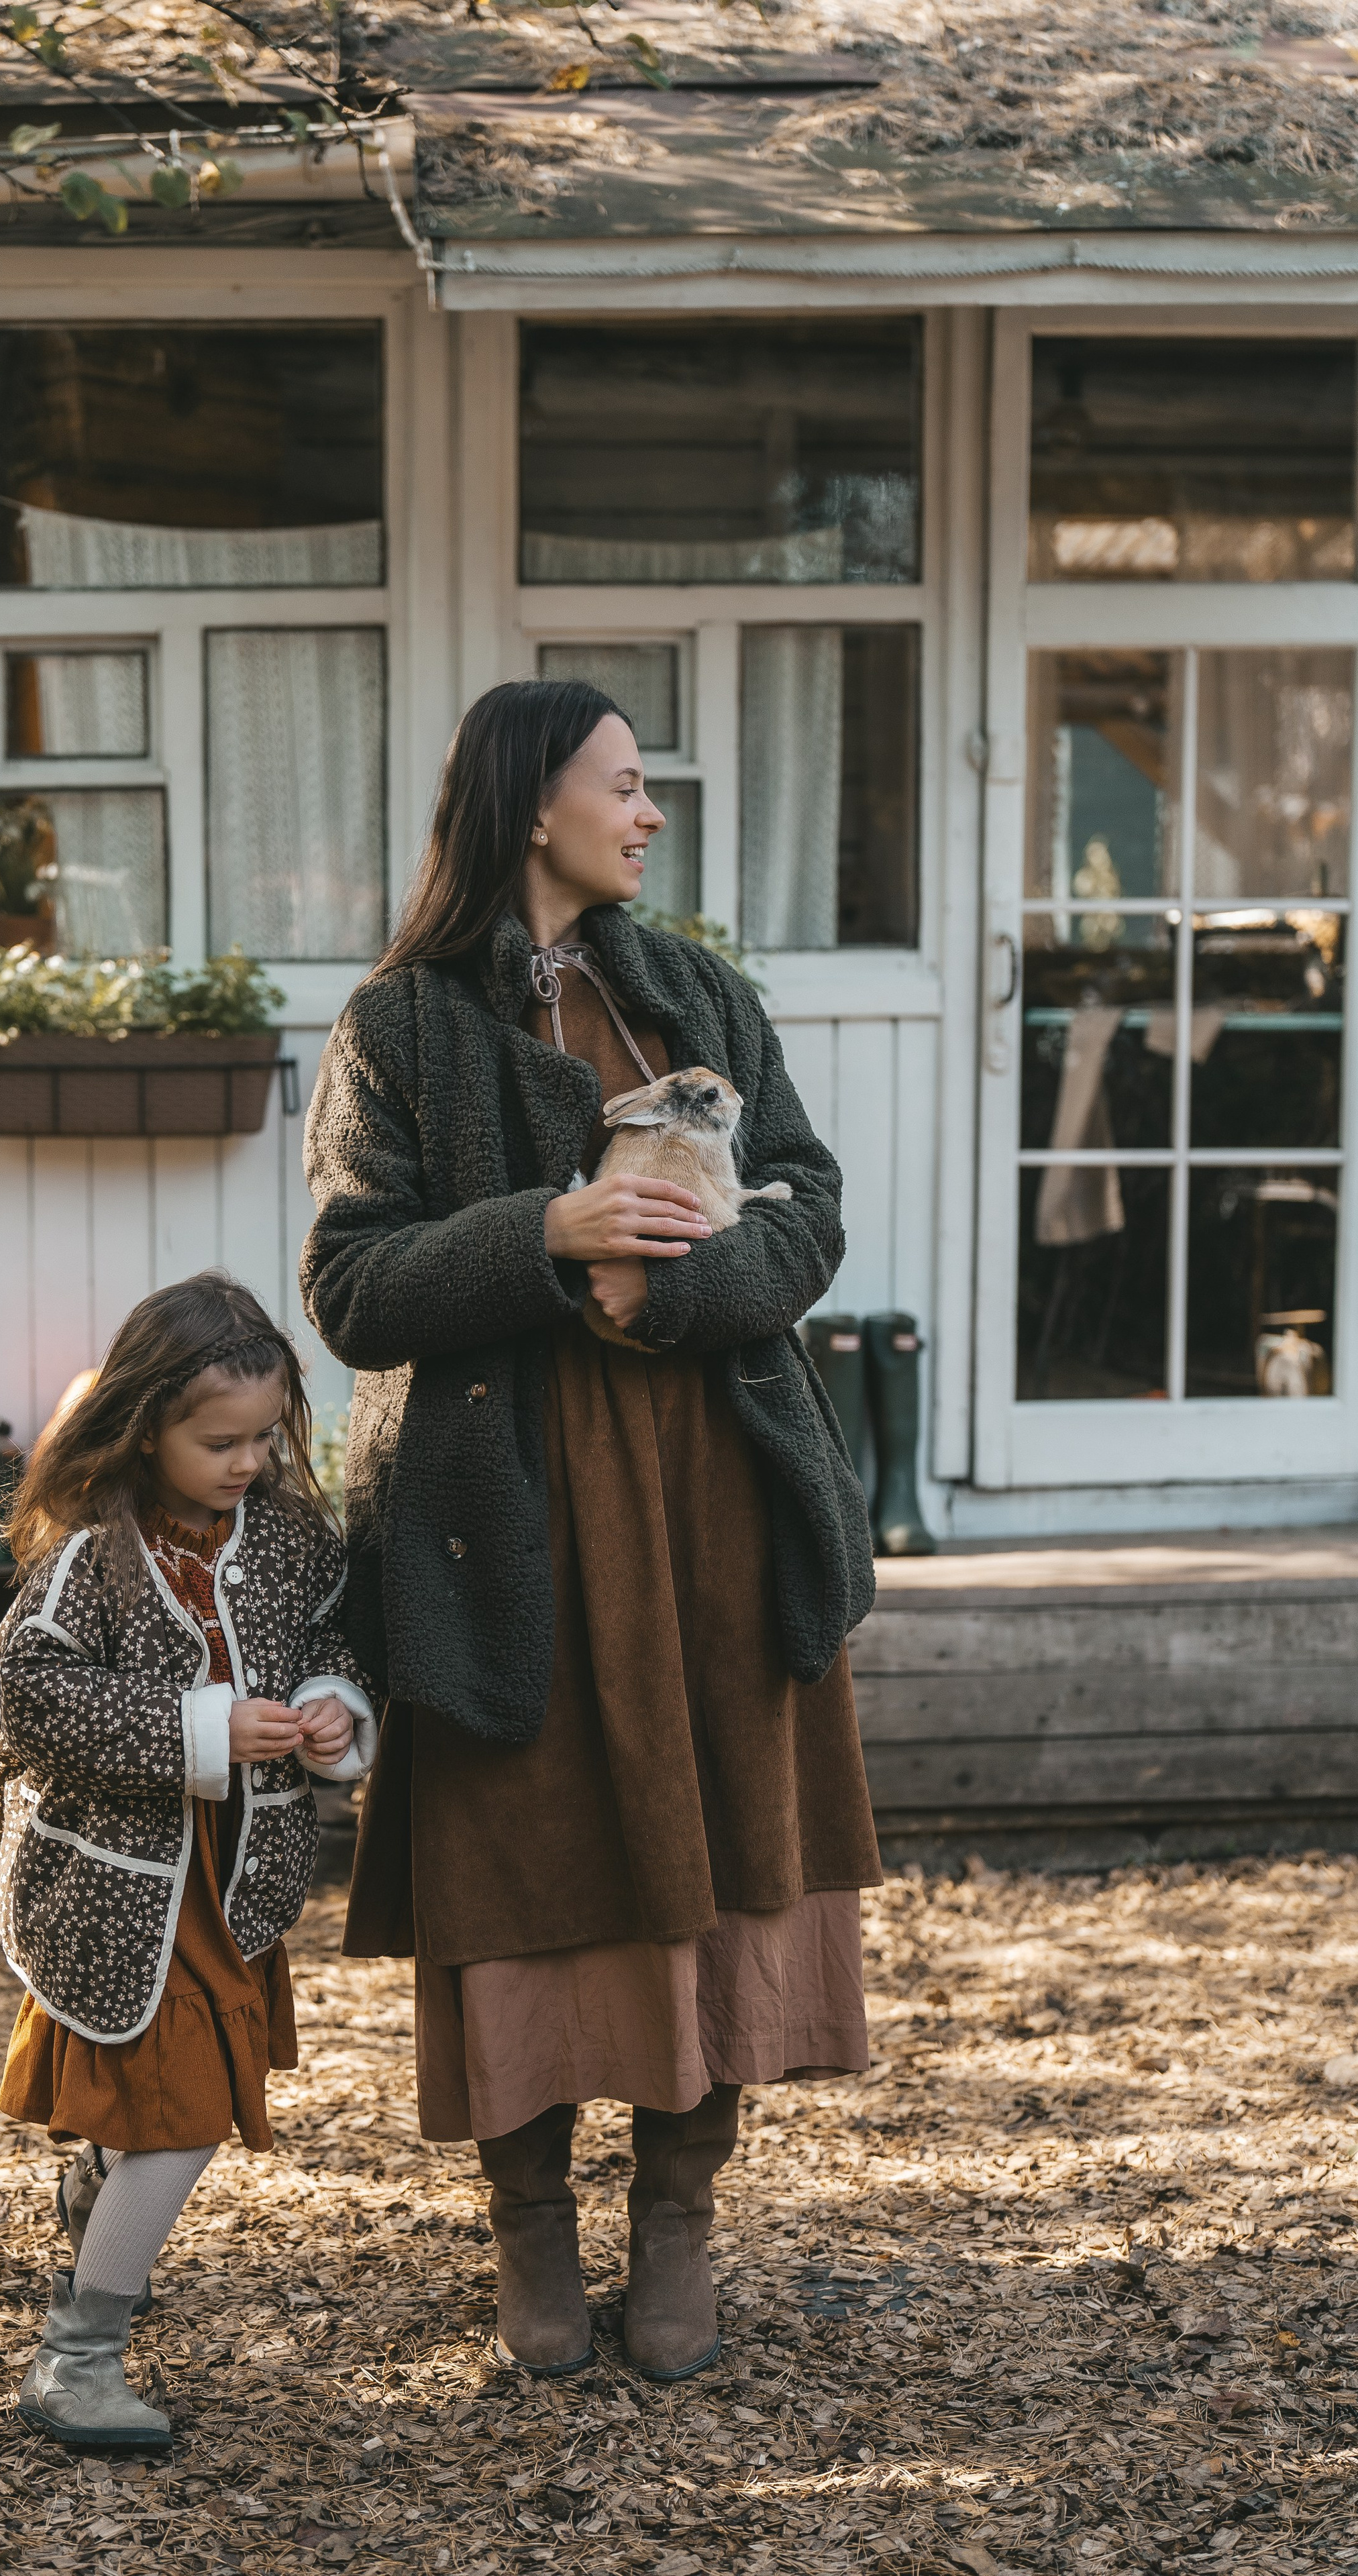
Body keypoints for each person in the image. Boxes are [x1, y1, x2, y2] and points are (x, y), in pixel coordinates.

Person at [301, 679, 882, 2384]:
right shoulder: (397, 1025)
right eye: (620, 787)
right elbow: (349, 1286)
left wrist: (687, 1294)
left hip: (713, 1491)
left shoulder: (696, 989)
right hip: (508, 1518)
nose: (645, 815)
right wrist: (546, 1229)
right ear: (526, 801)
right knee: (529, 1852)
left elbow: (810, 1204)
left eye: (648, 791)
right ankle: (531, 2226)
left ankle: (683, 2218)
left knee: (712, 1846)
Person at [0, 1271, 375, 2449]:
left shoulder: (293, 1536)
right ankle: (74, 2365)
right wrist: (200, 1724)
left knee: (156, 2113)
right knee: (181, 2119)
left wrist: (330, 1707)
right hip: (118, 1888)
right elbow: (22, 1696)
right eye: (218, 1441)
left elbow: (324, 1639)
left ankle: (92, 2234)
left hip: (230, 1885)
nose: (248, 1462)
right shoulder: (95, 1555)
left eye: (264, 1437)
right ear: (147, 1425)